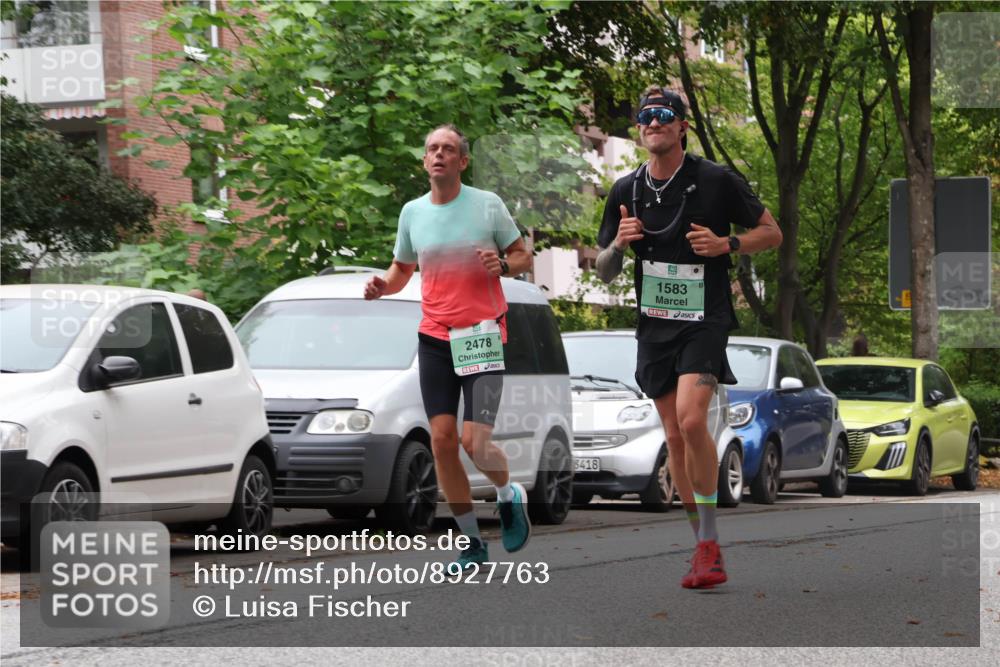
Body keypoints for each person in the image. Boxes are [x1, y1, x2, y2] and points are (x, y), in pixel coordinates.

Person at [595, 86, 782, 589]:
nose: (653, 122)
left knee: (692, 418)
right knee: (674, 435)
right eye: (645, 116)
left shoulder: (715, 180)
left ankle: (709, 541)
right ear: (640, 128)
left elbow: (772, 232)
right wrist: (619, 244)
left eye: (663, 114)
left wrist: (727, 244)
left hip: (705, 321)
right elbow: (605, 269)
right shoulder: (626, 190)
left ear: (682, 126)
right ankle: (704, 545)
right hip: (654, 327)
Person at [364, 124, 534, 571]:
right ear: (425, 161)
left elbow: (523, 256)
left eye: (448, 149)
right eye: (432, 149)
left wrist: (503, 264)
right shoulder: (412, 213)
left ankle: (507, 493)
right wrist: (383, 286)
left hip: (482, 335)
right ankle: (472, 544)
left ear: (462, 161)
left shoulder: (487, 205)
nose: (439, 154)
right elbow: (402, 269)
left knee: (474, 442)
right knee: (441, 441)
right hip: (436, 337)